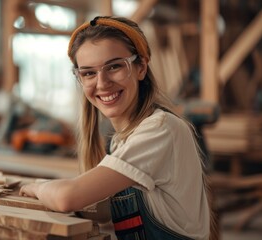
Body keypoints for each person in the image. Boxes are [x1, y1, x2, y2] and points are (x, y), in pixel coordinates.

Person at [20, 16, 213, 240]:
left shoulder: (160, 129)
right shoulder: (122, 140)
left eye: (114, 66)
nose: (102, 83)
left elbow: (67, 198)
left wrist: (38, 187)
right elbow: (102, 210)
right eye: (89, 73)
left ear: (141, 67)